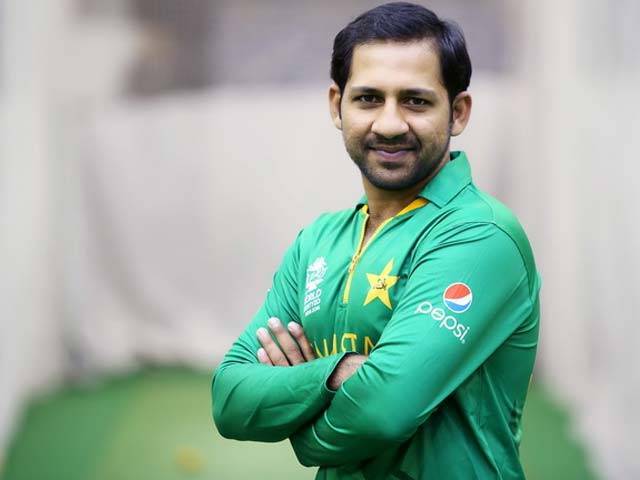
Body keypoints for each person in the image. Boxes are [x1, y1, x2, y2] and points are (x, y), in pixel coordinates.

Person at [211, 3, 540, 479]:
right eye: (368, 98)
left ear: (458, 112)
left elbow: (382, 412)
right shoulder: (318, 241)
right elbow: (229, 398)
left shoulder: (480, 235)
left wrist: (305, 433)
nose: (389, 124)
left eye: (415, 101)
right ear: (336, 105)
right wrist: (337, 372)